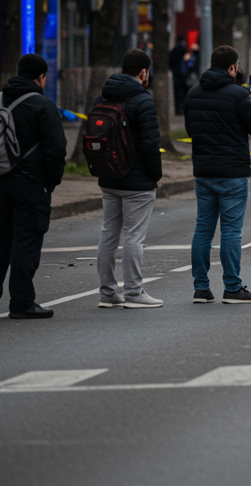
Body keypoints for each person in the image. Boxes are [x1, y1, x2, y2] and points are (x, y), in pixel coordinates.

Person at [0, 54, 67, 319]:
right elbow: (56, 148)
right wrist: (51, 182)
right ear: (41, 77)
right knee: (26, 240)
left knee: (0, 239)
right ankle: (22, 302)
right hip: (31, 184)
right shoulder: (42, 105)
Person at [184, 45, 251, 304]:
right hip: (232, 173)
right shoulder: (238, 95)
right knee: (231, 231)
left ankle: (201, 288)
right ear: (232, 68)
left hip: (204, 171)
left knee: (203, 229)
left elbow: (190, 129)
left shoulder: (193, 94)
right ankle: (232, 288)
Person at [95, 50, 164, 308]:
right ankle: (134, 292)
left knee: (108, 234)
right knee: (134, 237)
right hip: (137, 182)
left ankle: (108, 292)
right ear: (143, 73)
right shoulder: (143, 100)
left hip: (109, 177)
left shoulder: (102, 97)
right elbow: (150, 143)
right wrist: (155, 174)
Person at [169, 40, 190, 114]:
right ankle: (184, 108)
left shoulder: (174, 53)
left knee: (177, 94)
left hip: (176, 76)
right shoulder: (184, 54)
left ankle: (178, 110)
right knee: (185, 94)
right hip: (183, 76)